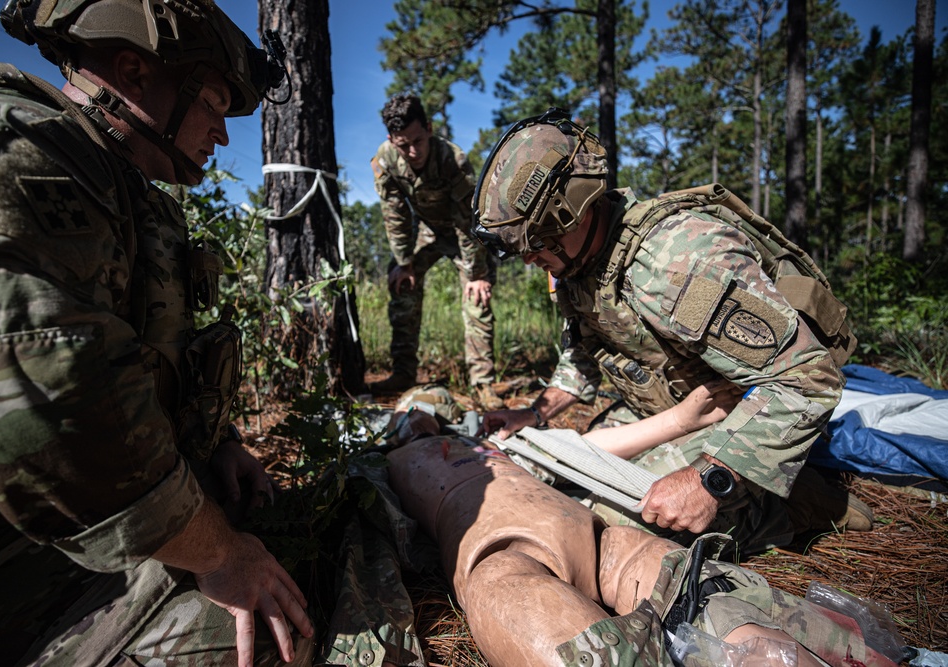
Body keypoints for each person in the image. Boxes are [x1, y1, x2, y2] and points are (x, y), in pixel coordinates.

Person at [0, 1, 312, 664]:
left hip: (77, 544)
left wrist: (220, 442)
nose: (222, 135)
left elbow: (145, 356)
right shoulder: (19, 153)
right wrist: (219, 550)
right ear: (133, 71)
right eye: (213, 101)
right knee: (265, 638)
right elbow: (55, 425)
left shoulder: (124, 190)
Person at [474, 109, 872, 556]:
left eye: (536, 243)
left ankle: (789, 505)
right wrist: (536, 412)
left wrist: (710, 478)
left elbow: (806, 378)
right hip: (667, 414)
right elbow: (583, 356)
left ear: (571, 211)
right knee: (549, 474)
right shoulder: (580, 267)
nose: (530, 260)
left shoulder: (676, 260)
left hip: (736, 423)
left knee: (604, 529)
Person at [382, 393, 901, 667]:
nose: (421, 413)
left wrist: (678, 420)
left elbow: (583, 449)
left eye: (431, 405)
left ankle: (787, 649)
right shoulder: (378, 467)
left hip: (593, 533)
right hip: (499, 549)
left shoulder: (504, 444)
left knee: (694, 590)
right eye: (411, 407)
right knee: (503, 589)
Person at [368, 93, 503, 409]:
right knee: (401, 284)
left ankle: (483, 384)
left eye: (418, 140)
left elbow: (468, 219)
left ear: (428, 128)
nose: (413, 151)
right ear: (391, 139)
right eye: (404, 145)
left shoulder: (452, 160)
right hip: (427, 230)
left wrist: (476, 274)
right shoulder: (385, 161)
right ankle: (402, 372)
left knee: (477, 297)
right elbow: (395, 214)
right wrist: (404, 263)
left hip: (465, 231)